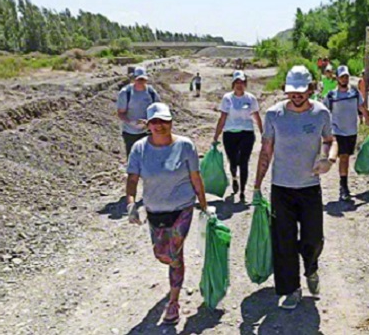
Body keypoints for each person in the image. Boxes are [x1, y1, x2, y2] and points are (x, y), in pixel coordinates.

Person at [254, 65, 338, 310]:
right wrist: (258, 185)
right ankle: (291, 289)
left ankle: (311, 268)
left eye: (302, 91)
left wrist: (329, 160)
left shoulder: (321, 113)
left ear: (310, 89)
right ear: (286, 90)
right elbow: (266, 150)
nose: (297, 95)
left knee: (313, 239)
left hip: (310, 188)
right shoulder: (273, 115)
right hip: (281, 188)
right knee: (284, 242)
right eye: (292, 91)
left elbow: (331, 142)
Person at [125, 102, 209, 325]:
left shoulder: (185, 146)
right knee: (162, 255)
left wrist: (203, 204)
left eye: (163, 121)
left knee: (174, 254)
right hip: (155, 210)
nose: (159, 126)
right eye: (154, 122)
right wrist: (131, 204)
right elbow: (132, 178)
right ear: (147, 125)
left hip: (182, 207)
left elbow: (195, 177)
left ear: (171, 122)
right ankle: (174, 286)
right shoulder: (140, 149)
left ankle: (173, 302)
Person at [323, 66, 369, 202]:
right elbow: (323, 112)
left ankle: (343, 185)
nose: (344, 79)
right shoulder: (331, 95)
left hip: (351, 131)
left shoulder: (354, 93)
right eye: (342, 77)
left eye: (346, 76)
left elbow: (362, 107)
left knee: (345, 158)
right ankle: (343, 187)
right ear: (337, 78)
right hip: (337, 130)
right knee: (343, 157)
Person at [213, 71, 262, 203]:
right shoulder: (227, 98)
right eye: (237, 83)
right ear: (233, 84)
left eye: (242, 83)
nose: (239, 85)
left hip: (246, 133)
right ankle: (234, 177)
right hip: (230, 134)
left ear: (245, 84)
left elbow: (256, 116)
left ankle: (242, 191)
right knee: (233, 161)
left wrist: (263, 133)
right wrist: (216, 136)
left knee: (244, 161)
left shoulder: (250, 99)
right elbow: (222, 118)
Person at [116, 66, 161, 158]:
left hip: (148, 131)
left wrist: (149, 122)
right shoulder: (126, 93)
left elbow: (158, 110)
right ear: (134, 79)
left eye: (143, 79)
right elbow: (120, 113)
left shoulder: (151, 92)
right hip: (130, 133)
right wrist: (131, 123)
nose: (141, 82)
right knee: (134, 160)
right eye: (138, 79)